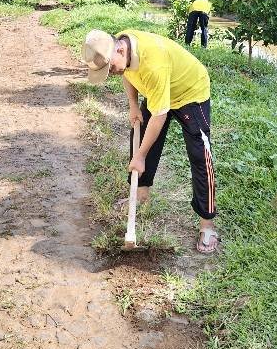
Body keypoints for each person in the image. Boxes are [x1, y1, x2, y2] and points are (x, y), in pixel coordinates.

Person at [82, 29, 218, 253]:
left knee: (199, 156)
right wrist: (133, 105)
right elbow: (127, 74)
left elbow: (160, 115)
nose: (112, 73)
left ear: (120, 49)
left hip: (189, 92)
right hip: (160, 90)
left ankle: (207, 225)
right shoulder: (120, 46)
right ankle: (142, 195)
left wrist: (141, 156)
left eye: (110, 68)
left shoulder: (153, 62)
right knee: (141, 137)